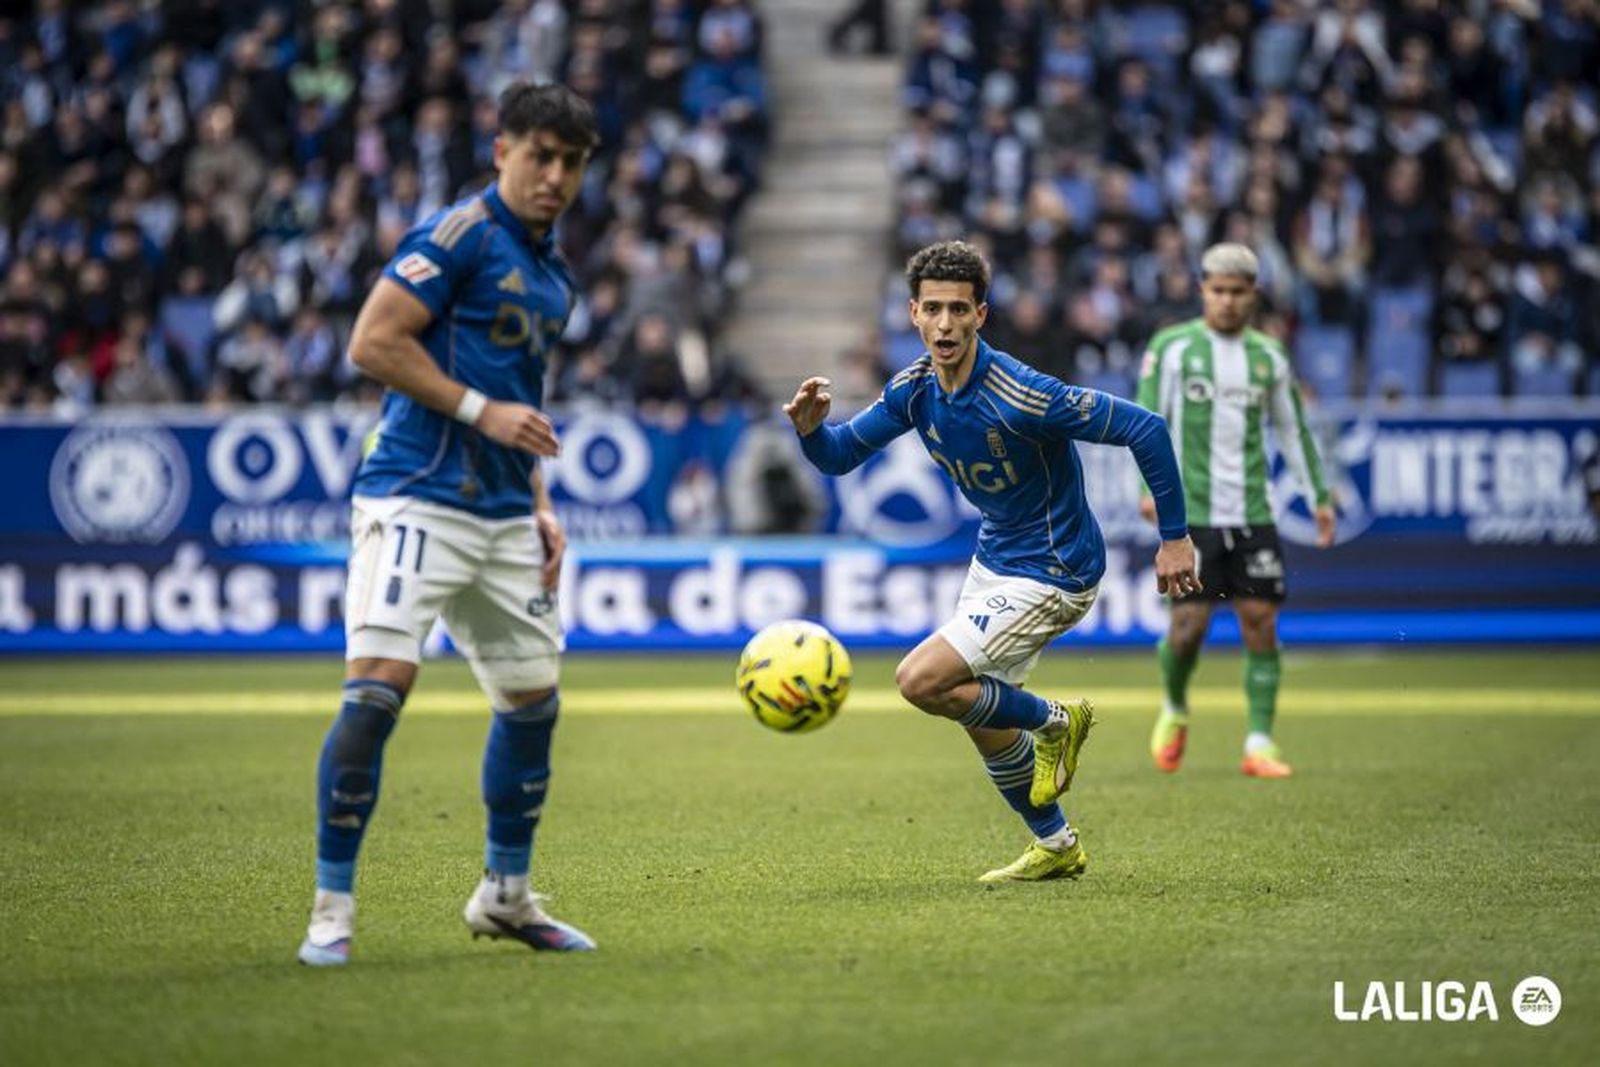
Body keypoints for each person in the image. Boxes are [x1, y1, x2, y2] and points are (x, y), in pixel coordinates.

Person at [297, 83, 600, 966]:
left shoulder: (555, 273)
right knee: (377, 691)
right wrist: (480, 411)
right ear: (500, 148)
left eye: (571, 163)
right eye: (540, 155)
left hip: (507, 511)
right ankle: (331, 909)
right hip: (416, 493)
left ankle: (505, 897)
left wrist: (541, 504)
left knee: (533, 701)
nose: (554, 176)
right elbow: (374, 342)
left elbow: (524, 401)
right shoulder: (457, 235)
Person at [785, 240, 1199, 883]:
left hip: (1057, 569)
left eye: (959, 309)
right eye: (932, 310)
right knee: (965, 703)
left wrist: (1175, 538)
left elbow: (1144, 427)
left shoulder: (1022, 393)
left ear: (982, 314)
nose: (945, 325)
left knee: (919, 680)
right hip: (995, 562)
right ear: (913, 315)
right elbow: (840, 457)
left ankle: (1058, 722)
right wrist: (811, 431)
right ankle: (1057, 845)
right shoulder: (914, 390)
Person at [1136, 243, 1335, 781]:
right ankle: (1175, 707)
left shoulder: (1269, 356)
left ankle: (1259, 742)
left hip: (1253, 511)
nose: (1225, 301)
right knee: (1188, 628)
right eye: (1217, 290)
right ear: (1202, 289)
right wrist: (1146, 486)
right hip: (1192, 515)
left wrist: (1319, 494)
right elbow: (1146, 421)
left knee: (1260, 621)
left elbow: (1293, 428)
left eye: (1236, 292)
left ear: (1253, 295)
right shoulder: (1172, 348)